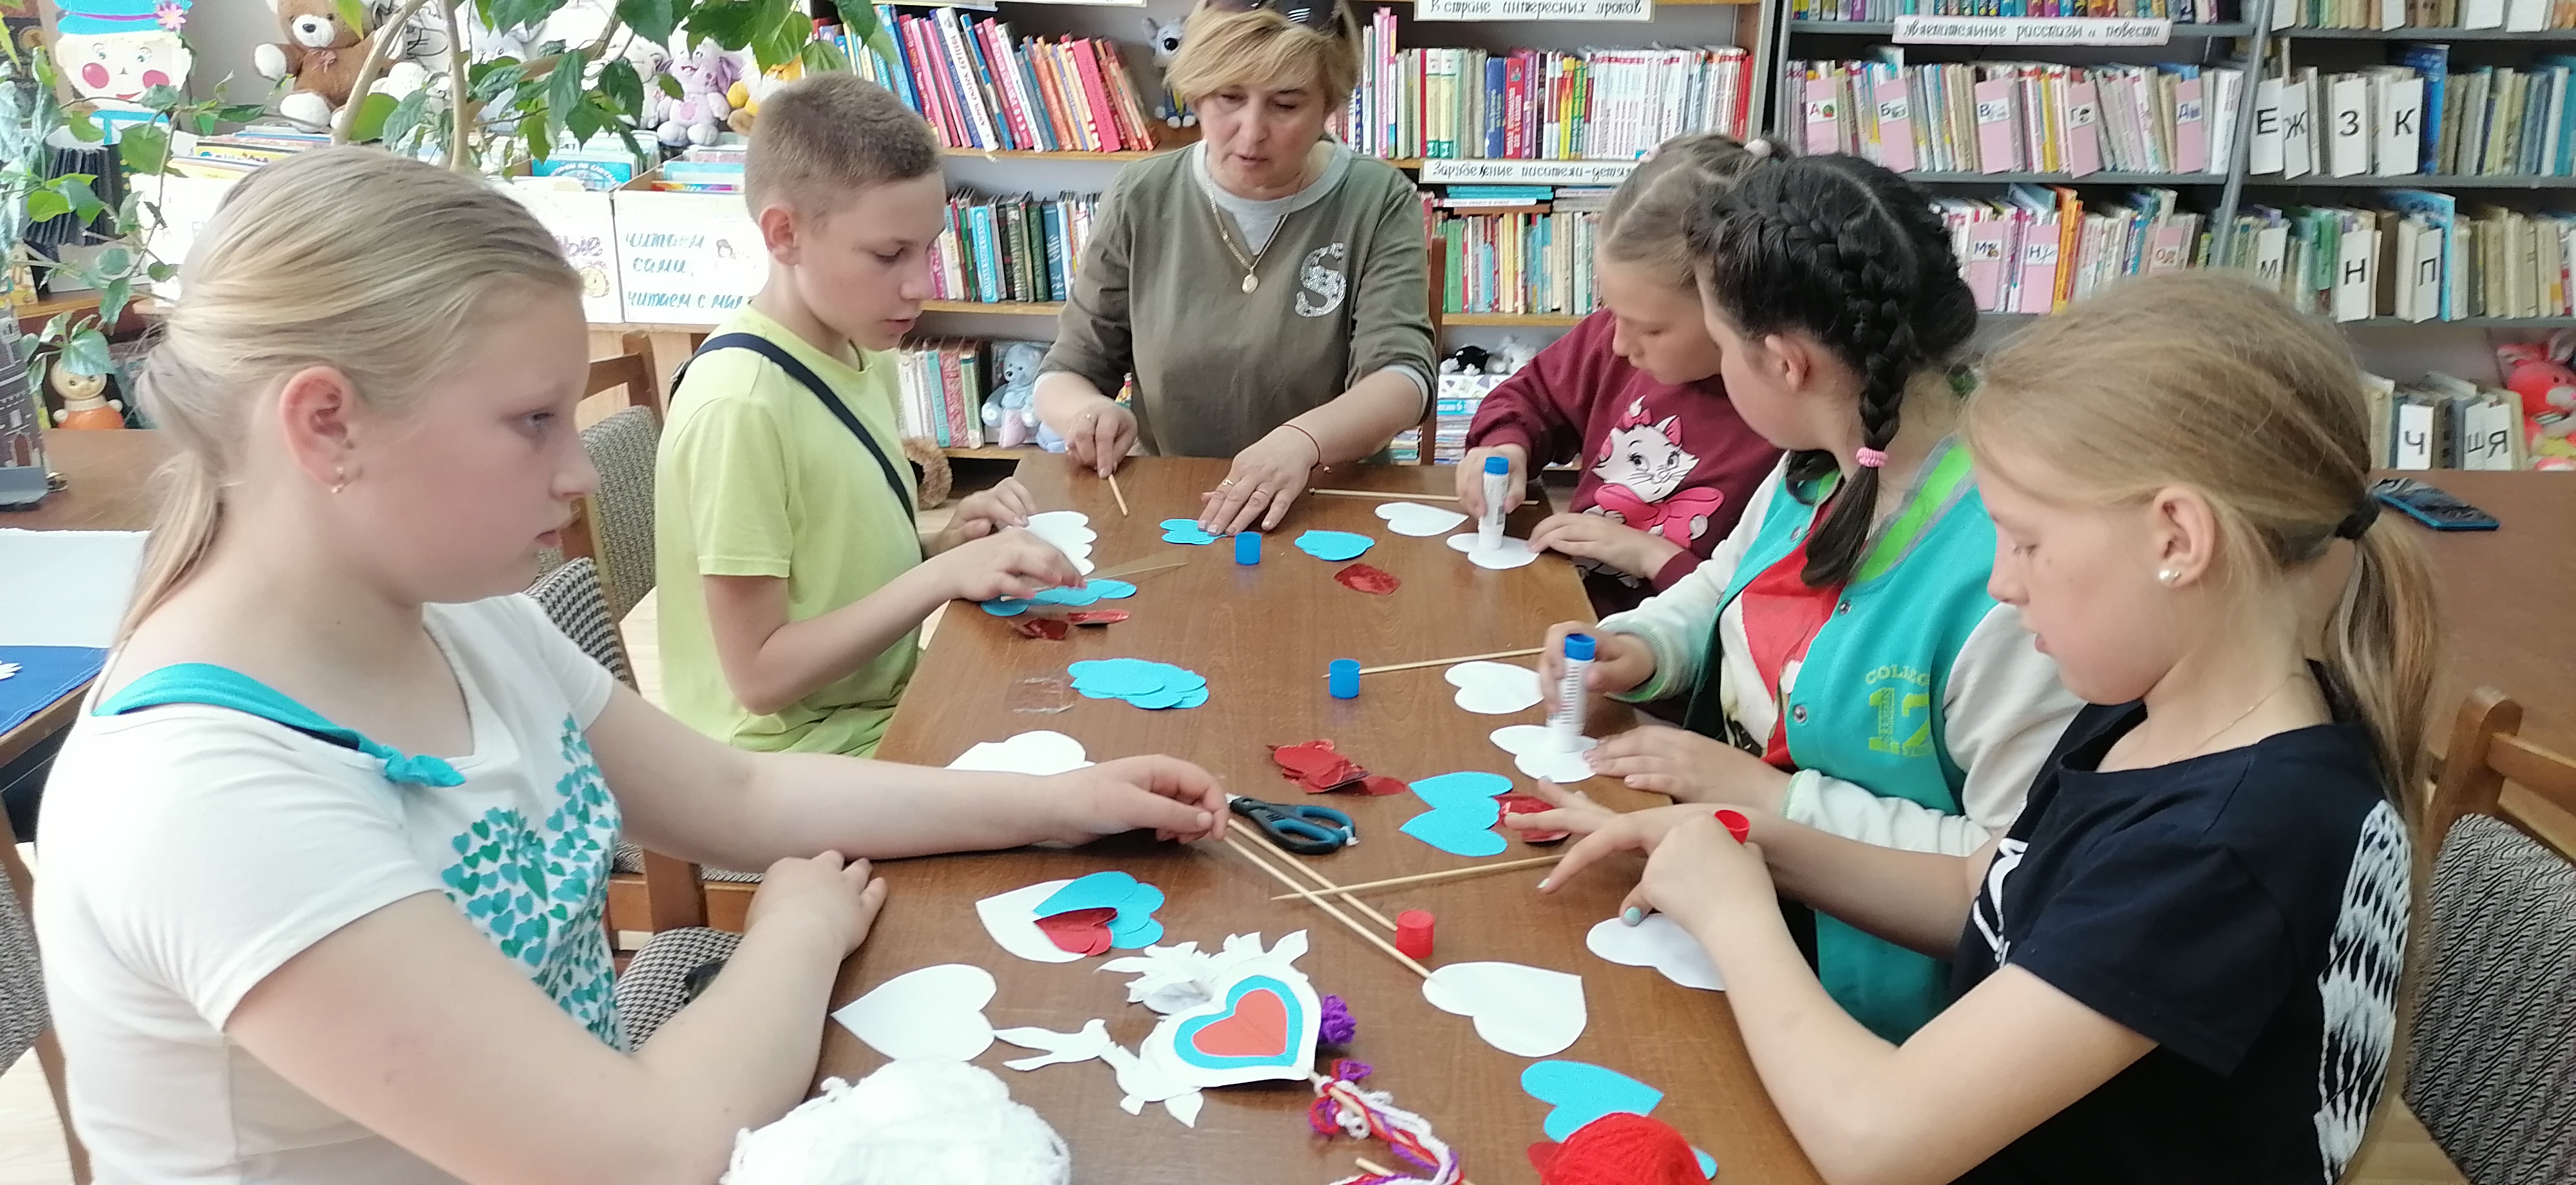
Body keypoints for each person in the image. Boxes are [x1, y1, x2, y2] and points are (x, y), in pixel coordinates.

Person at [34, 146, 1229, 1182]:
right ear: (326, 423)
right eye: (532, 421)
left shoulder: (452, 617)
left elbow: (735, 794)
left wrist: (1059, 804)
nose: (575, 472)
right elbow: (647, 1156)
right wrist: (796, 929)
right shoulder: (208, 798)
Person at [1535, 271, 2429, 1185]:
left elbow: (1876, 1142)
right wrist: (1737, 838)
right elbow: (1987, 891)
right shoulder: (2151, 714)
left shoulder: (2224, 845)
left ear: (2176, 539)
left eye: (2027, 541)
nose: (2001, 581)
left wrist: (1734, 915)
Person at [1522, 154, 2081, 1041]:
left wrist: (1771, 798)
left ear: (1785, 363)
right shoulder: (1821, 462)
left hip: (1869, 1018)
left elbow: (2013, 870)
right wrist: (1647, 643)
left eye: (1720, 345)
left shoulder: (2010, 573)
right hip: (1733, 910)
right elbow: (1728, 584)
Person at [656, 75, 1079, 758]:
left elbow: (828, 577)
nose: (921, 285)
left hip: (876, 711)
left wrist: (944, 549)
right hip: (785, 759)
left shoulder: (862, 351)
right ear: (785, 234)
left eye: (928, 249)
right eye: (888, 255)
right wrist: (939, 578)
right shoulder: (739, 407)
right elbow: (759, 677)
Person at [1034, 0, 1435, 536]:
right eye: (1229, 97)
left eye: (1285, 105)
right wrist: (1087, 414)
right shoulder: (1141, 196)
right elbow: (1068, 370)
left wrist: (1303, 443)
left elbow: (1402, 378)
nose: (1251, 133)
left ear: (1329, 104)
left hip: (1326, 501)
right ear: (1197, 90)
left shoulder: (1378, 198)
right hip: (1173, 500)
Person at [1456, 133, 1784, 621]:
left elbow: (1759, 618)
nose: (1619, 344)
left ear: (1735, 312)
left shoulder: (1786, 423)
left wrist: (1653, 557)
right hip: (1565, 609)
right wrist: (1505, 448)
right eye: (1613, 312)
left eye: (1651, 328)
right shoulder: (1614, 341)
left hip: (1668, 651)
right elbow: (1530, 397)